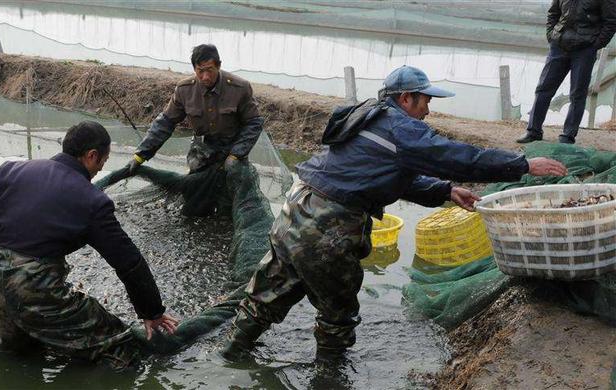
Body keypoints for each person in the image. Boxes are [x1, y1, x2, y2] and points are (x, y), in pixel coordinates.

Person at [221, 65, 568, 360]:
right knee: (337, 315)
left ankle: (229, 357)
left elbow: (382, 175)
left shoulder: (368, 118)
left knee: (265, 296)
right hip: (328, 224)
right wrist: (521, 163)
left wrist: (445, 190)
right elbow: (457, 156)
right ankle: (330, 377)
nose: (428, 111)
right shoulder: (402, 128)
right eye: (425, 101)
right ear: (406, 99)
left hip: (295, 210)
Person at [0, 121, 178, 369]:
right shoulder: (92, 200)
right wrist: (152, 312)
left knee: (18, 354)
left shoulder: (11, 170)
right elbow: (128, 262)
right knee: (119, 345)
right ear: (92, 156)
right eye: (104, 161)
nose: (101, 168)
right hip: (34, 290)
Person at [126, 43, 264, 174]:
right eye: (200, 71)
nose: (205, 77)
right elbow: (165, 123)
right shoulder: (184, 90)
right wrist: (140, 156)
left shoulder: (240, 88)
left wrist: (236, 154)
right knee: (194, 193)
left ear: (219, 66)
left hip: (231, 151)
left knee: (232, 191)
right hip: (200, 153)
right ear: (194, 69)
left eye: (210, 70)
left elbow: (254, 123)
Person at [517, 0, 616, 144]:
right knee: (543, 89)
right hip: (559, 46)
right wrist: (552, 36)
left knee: (577, 94)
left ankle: (567, 136)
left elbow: (611, 22)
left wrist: (594, 45)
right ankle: (533, 131)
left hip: (584, 50)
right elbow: (553, 13)